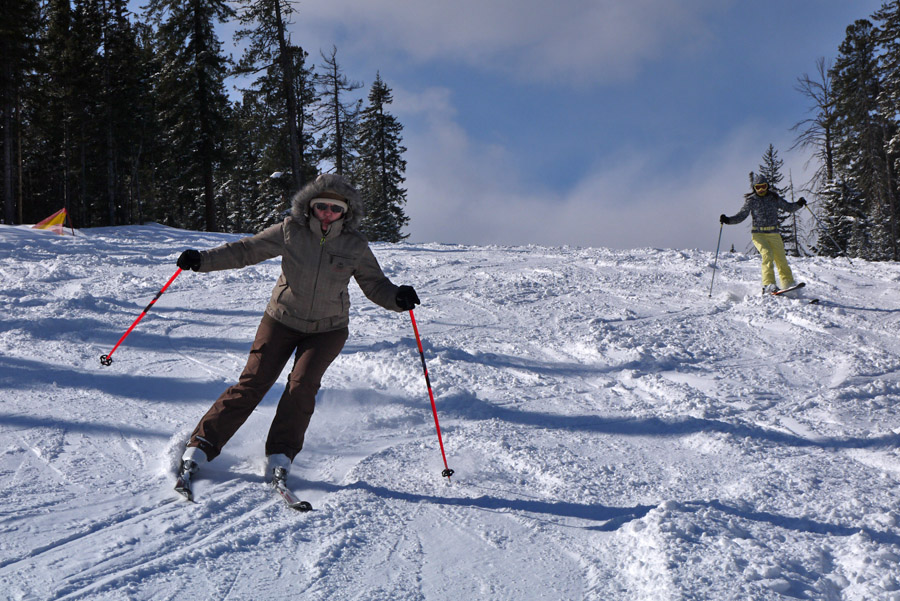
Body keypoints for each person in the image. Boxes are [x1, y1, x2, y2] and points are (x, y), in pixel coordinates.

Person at [173, 173, 420, 497]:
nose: (327, 213)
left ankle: (281, 454)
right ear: (310, 206)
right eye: (321, 206)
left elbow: (375, 284)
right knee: (254, 382)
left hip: (328, 329)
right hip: (281, 320)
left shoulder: (354, 245)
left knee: (301, 387)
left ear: (346, 211)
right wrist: (202, 260)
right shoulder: (290, 231)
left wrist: (397, 298)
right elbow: (246, 250)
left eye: (335, 208)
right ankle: (200, 447)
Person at [720, 174, 807, 294]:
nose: (761, 190)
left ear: (767, 186)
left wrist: (798, 204)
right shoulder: (751, 201)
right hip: (759, 234)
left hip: (774, 233)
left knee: (781, 259)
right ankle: (768, 285)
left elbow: (788, 207)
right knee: (767, 254)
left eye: (763, 186)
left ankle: (788, 284)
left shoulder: (774, 198)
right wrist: (728, 220)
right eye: (758, 187)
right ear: (754, 188)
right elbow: (742, 215)